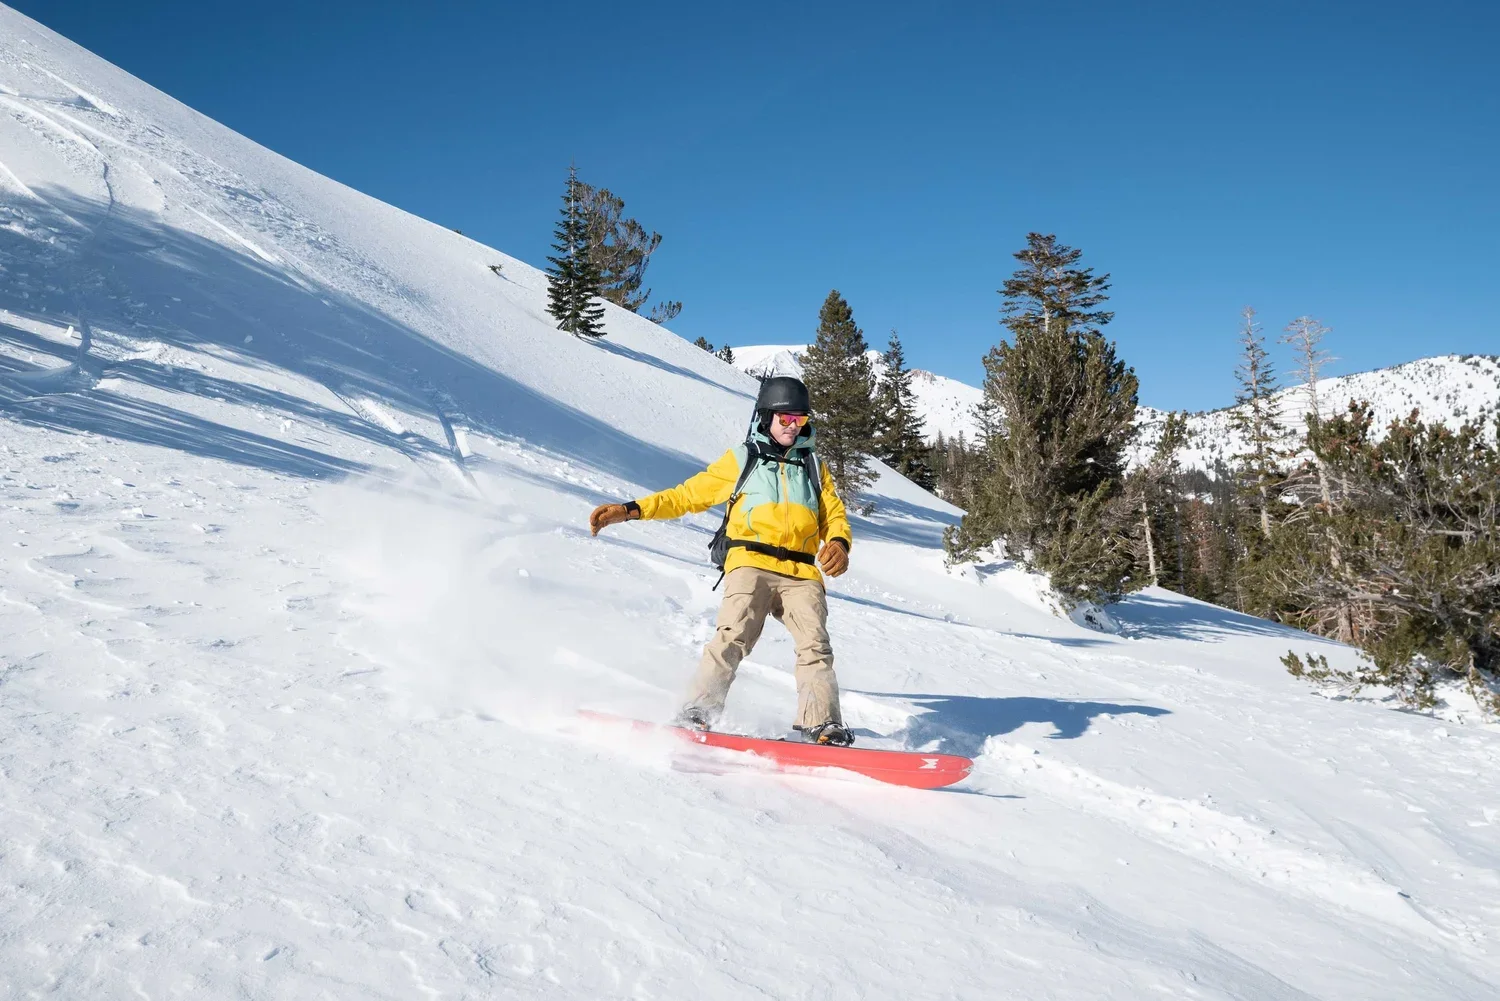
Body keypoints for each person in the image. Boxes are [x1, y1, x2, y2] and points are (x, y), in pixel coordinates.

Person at [588, 376, 855, 745]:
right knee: (733, 636)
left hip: (801, 571)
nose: (793, 426)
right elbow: (687, 496)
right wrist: (633, 510)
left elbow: (834, 516)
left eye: (800, 419)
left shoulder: (813, 467)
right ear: (766, 417)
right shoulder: (743, 459)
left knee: (816, 646)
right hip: (750, 562)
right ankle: (697, 711)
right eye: (785, 419)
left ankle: (823, 724)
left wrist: (839, 543)